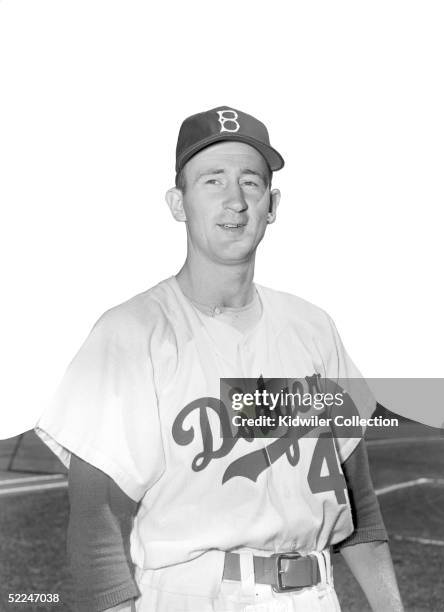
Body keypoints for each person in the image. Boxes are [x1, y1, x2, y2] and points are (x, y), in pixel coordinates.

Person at [36, 106, 404, 612]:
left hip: (316, 595)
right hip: (193, 595)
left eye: (251, 183)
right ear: (177, 202)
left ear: (272, 204)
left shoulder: (312, 327)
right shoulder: (132, 331)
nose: (235, 201)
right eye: (212, 180)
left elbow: (357, 498)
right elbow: (96, 518)